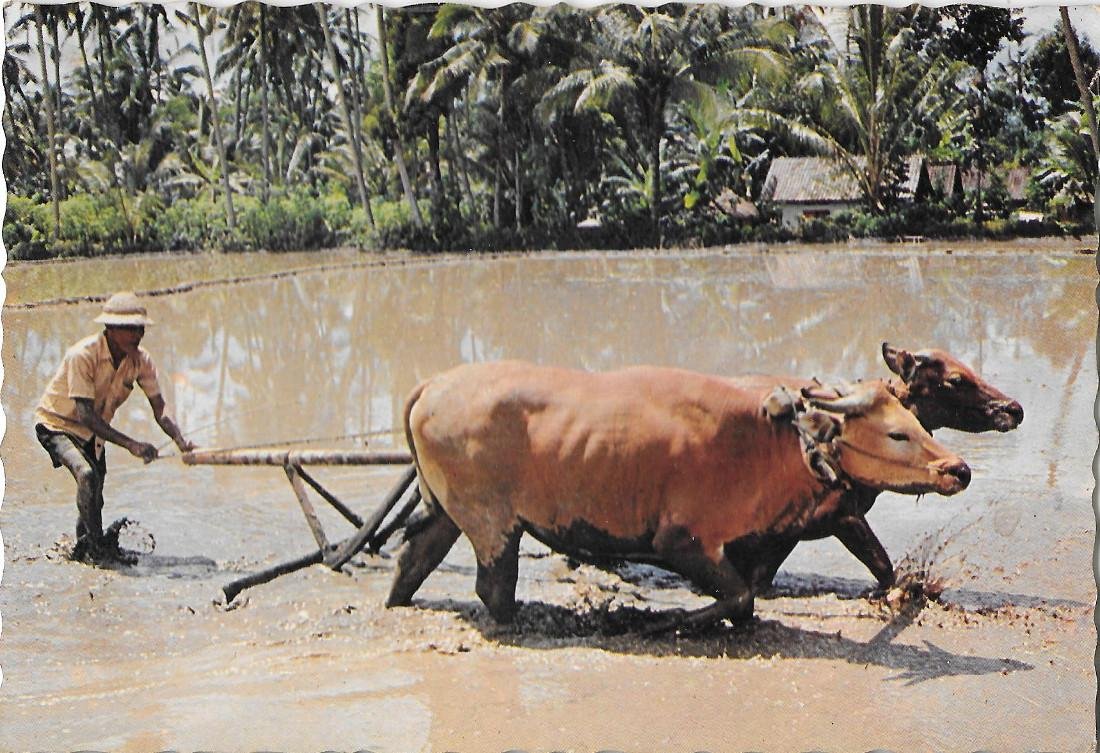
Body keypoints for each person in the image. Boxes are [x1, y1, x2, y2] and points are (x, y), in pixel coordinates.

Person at [34, 291, 195, 564]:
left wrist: (180, 441)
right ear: (110, 328)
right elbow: (85, 414)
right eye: (131, 328)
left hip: (93, 433)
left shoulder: (141, 361)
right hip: (57, 424)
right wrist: (132, 444)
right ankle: (97, 550)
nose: (138, 335)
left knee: (95, 494)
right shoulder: (82, 355)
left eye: (140, 328)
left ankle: (84, 549)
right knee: (87, 475)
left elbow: (160, 409)